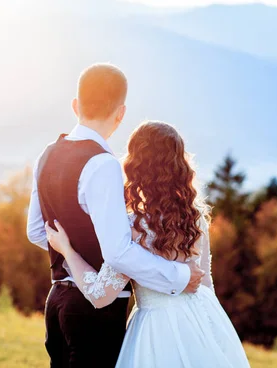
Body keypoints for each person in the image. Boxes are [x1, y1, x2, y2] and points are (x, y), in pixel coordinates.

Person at [26, 63, 205, 368]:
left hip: (57, 300)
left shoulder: (47, 154)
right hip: (93, 312)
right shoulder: (103, 163)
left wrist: (69, 258)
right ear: (120, 113)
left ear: (75, 106)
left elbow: (37, 231)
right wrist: (180, 275)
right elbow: (118, 252)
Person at [45, 120, 251, 368]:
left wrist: (67, 250)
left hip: (155, 331)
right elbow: (206, 281)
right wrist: (215, 331)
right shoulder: (195, 217)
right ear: (179, 164)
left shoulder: (134, 226)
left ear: (135, 165)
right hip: (202, 318)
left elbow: (100, 295)